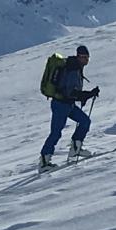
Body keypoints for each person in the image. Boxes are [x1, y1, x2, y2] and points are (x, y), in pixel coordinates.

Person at [39, 45, 100, 173]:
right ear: (78, 56)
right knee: (56, 132)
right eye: (84, 57)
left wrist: (85, 95)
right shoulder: (72, 69)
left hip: (68, 104)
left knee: (85, 121)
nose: (86, 60)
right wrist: (87, 94)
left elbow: (73, 92)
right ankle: (44, 162)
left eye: (87, 57)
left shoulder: (76, 67)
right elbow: (70, 92)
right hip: (61, 105)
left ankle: (76, 148)